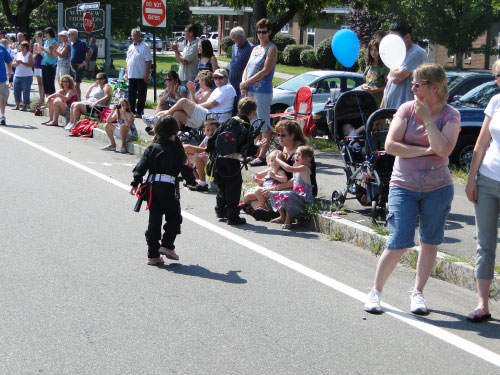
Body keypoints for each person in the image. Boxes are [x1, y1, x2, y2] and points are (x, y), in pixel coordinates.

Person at [364, 63, 461, 315]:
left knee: (429, 243)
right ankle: (376, 291)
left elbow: (443, 150)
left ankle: (417, 293)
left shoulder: (450, 115)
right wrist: (424, 151)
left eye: (417, 84)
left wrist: (428, 119)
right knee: (397, 242)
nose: (412, 88)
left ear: (435, 88)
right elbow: (391, 145)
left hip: (438, 188)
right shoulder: (406, 109)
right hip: (403, 186)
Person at [130, 115, 196, 265]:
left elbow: (141, 166)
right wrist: (192, 182)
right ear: (175, 131)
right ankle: (167, 245)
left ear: (157, 131)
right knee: (174, 217)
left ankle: (152, 254)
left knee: (154, 221)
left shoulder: (152, 148)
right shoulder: (177, 149)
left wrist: (135, 182)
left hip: (152, 189)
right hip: (168, 188)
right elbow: (185, 168)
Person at [464, 59, 500, 323]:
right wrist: (471, 178)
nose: (498, 80)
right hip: (487, 180)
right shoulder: (495, 102)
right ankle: (482, 304)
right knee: (484, 245)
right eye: (497, 76)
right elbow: (482, 141)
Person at [206, 97, 259, 225]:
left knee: (222, 187)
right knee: (233, 189)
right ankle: (232, 216)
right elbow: (250, 151)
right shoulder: (247, 126)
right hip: (233, 161)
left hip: (218, 160)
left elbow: (212, 140)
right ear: (252, 113)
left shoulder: (229, 121)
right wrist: (258, 147)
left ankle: (220, 211)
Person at [252, 120, 318, 221]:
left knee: (266, 194)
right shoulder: (282, 147)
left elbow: (296, 179)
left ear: (292, 135)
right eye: (278, 135)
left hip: (300, 189)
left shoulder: (301, 152)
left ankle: (272, 213)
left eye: (283, 135)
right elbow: (272, 166)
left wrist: (275, 188)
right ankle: (263, 209)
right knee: (253, 193)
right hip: (282, 184)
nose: (279, 138)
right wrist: (260, 176)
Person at [240, 18, 277, 167]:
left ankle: (262, 156)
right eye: (259, 32)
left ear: (269, 32)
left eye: (264, 32)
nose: (261, 35)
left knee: (263, 123)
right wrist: (244, 84)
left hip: (263, 91)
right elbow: (247, 68)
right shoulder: (255, 49)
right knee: (253, 123)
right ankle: (254, 151)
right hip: (250, 90)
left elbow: (265, 70)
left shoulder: (272, 48)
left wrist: (247, 82)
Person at [152, 68, 236, 129]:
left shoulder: (227, 88)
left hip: (215, 118)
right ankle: (167, 137)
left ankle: (160, 120)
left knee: (183, 101)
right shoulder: (217, 89)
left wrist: (194, 105)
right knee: (177, 114)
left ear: (227, 78)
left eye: (220, 77)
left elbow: (212, 103)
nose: (217, 80)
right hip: (209, 115)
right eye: (215, 77)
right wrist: (193, 100)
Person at [380, 20, 428, 110]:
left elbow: (396, 78)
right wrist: (382, 108)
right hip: (390, 111)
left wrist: (392, 63)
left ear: (407, 36)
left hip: (406, 115)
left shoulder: (417, 53)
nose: (393, 42)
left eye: (396, 38)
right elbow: (390, 82)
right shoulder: (396, 54)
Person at [268, 146, 315, 229]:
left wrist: (278, 160)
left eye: (299, 154)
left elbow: (288, 169)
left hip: (304, 197)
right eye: (296, 153)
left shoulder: (304, 168)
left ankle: (288, 220)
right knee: (275, 194)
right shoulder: (295, 166)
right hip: (296, 195)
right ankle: (282, 216)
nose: (296, 156)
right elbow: (294, 180)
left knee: (288, 195)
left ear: (307, 159)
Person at [184, 118, 219, 191]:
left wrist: (189, 147)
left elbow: (209, 151)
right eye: (208, 130)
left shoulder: (217, 139)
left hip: (214, 163)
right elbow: (199, 148)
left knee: (197, 155)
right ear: (204, 130)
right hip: (207, 160)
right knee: (185, 156)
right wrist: (189, 153)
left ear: (218, 130)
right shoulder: (206, 138)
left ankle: (202, 182)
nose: (210, 132)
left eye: (213, 130)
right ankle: (198, 180)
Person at [125, 28, 152, 118]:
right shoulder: (130, 47)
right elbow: (128, 61)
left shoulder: (145, 46)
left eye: (136, 35)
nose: (135, 37)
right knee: (131, 93)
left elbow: (148, 61)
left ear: (140, 36)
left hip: (141, 75)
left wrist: (146, 74)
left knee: (141, 94)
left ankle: (140, 111)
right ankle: (131, 110)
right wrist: (126, 72)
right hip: (132, 74)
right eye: (133, 35)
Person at [361, 39, 389, 107]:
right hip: (369, 101)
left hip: (380, 102)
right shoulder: (369, 65)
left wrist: (375, 90)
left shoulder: (383, 67)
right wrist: (364, 86)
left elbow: (388, 86)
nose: (373, 52)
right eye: (371, 49)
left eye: (376, 50)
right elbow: (368, 83)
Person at [229, 26, 253, 101]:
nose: (233, 40)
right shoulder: (234, 47)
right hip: (232, 82)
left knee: (241, 105)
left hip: (243, 84)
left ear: (240, 37)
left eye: (234, 37)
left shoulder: (251, 48)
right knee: (232, 104)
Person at [68, 28, 93, 101]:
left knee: (77, 84)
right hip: (72, 65)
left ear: (74, 35)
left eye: (69, 35)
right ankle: (72, 99)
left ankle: (79, 100)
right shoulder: (72, 43)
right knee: (71, 84)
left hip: (79, 66)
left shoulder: (81, 43)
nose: (68, 36)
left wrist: (84, 62)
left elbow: (90, 51)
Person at [12, 41, 33, 111]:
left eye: (23, 47)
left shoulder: (29, 54)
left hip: (27, 76)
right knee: (16, 91)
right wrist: (16, 63)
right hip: (17, 75)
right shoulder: (18, 54)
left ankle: (25, 106)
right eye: (21, 47)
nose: (21, 48)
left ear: (26, 48)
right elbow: (12, 63)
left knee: (26, 91)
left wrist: (21, 62)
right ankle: (17, 105)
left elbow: (30, 65)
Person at [41, 27, 58, 98]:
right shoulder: (46, 42)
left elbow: (54, 55)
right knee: (45, 83)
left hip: (50, 64)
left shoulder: (53, 42)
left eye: (46, 33)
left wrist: (44, 50)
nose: (45, 34)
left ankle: (53, 99)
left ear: (49, 33)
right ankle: (47, 99)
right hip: (44, 63)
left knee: (50, 83)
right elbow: (44, 54)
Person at [0, 38, 12, 125]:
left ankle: (2, 115)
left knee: (3, 97)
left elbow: (8, 61)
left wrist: (10, 72)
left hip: (1, 77)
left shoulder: (2, 48)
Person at [33, 31, 45, 104]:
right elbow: (33, 56)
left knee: (43, 82)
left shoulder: (44, 44)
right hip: (37, 64)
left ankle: (43, 97)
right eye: (36, 37)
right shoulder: (35, 45)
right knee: (39, 82)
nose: (37, 38)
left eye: (38, 37)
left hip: (42, 64)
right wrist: (37, 53)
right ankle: (40, 97)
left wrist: (40, 51)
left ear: (41, 37)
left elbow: (44, 55)